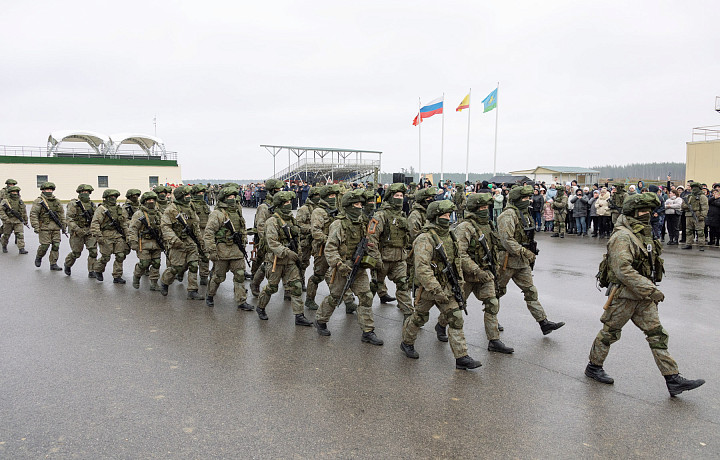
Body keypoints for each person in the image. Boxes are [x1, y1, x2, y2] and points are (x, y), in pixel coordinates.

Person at [585, 192, 705, 397]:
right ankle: (594, 367)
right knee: (609, 333)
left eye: (649, 211)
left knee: (657, 334)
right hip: (624, 296)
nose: (646, 214)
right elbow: (623, 270)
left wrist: (648, 290)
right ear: (632, 212)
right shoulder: (623, 236)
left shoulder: (642, 233)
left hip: (642, 296)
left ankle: (672, 378)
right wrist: (651, 290)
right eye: (642, 211)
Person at [400, 200, 482, 370]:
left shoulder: (451, 236)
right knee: (419, 318)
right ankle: (407, 342)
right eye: (443, 215)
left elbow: (456, 262)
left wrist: (459, 283)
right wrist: (435, 289)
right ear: (435, 217)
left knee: (456, 318)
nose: (447, 218)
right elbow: (422, 268)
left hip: (447, 287)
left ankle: (462, 357)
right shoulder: (425, 238)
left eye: (448, 215)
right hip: (428, 289)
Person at [314, 189, 382, 344]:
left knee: (366, 297)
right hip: (342, 267)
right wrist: (339, 264)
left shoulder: (363, 223)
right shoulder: (338, 224)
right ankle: (320, 320)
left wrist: (373, 258)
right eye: (356, 204)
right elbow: (330, 248)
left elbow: (370, 242)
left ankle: (368, 331)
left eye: (360, 204)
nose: (359, 207)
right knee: (335, 297)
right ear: (348, 206)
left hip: (359, 268)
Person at [448, 193, 513, 353]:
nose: (485, 210)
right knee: (455, 307)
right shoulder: (465, 227)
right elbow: (460, 254)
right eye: (481, 208)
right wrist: (476, 270)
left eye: (486, 207)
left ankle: (494, 340)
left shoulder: (488, 225)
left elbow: (494, 246)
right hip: (467, 277)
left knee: (492, 304)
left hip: (486, 273)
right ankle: (441, 325)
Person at [497, 185, 565, 335]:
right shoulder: (508, 215)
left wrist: (529, 252)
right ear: (516, 200)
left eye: (529, 198)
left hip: (522, 262)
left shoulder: (524, 214)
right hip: (506, 262)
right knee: (496, 292)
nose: (528, 201)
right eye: (525, 198)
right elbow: (506, 240)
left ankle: (543, 322)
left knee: (530, 291)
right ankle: (492, 320)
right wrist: (524, 252)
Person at [254, 191, 312, 325]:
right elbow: (272, 242)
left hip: (290, 261)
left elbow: (296, 240)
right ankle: (260, 307)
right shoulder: (272, 221)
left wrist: (298, 256)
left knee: (296, 286)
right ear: (279, 205)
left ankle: (299, 316)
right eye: (285, 203)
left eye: (289, 202)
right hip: (276, 260)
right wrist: (286, 252)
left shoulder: (291, 219)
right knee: (272, 287)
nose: (288, 205)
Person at [306, 185, 356, 312]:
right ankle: (309, 299)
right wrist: (328, 239)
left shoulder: (338, 210)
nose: (333, 198)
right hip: (322, 249)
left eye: (334, 195)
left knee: (342, 273)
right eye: (330, 196)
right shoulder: (319, 211)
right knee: (318, 276)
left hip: (337, 249)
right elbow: (315, 231)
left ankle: (349, 301)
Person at [203, 187, 254, 310]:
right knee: (218, 277)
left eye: (234, 197)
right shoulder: (218, 214)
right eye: (230, 197)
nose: (233, 199)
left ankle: (241, 301)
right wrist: (212, 251)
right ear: (224, 199)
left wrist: (244, 241)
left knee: (240, 275)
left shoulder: (237, 211)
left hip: (236, 250)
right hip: (222, 251)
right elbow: (209, 233)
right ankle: (210, 295)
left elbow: (242, 228)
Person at [367, 183, 413, 318]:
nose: (399, 198)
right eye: (396, 195)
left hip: (399, 259)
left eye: (401, 195)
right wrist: (376, 259)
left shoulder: (403, 215)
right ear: (390, 197)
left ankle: (409, 316)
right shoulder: (381, 215)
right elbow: (371, 238)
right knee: (375, 285)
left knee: (403, 285)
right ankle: (364, 309)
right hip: (383, 259)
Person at [159, 185, 204, 299]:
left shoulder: (190, 207)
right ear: (181, 197)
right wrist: (175, 240)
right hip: (177, 243)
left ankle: (192, 290)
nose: (189, 197)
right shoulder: (171, 210)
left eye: (189, 195)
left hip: (190, 241)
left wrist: (200, 240)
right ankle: (164, 282)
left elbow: (195, 225)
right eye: (186, 195)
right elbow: (165, 227)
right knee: (177, 268)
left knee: (194, 265)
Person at [249, 178, 284, 297]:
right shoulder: (264, 207)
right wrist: (266, 241)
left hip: (276, 239)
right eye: (278, 189)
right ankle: (254, 283)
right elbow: (260, 225)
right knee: (262, 263)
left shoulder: (278, 205)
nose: (280, 191)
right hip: (264, 240)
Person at [127, 191, 164, 291]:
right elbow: (133, 229)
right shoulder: (139, 214)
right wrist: (133, 242)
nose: (151, 202)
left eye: (152, 200)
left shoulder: (158, 213)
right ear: (144, 201)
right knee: (144, 263)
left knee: (156, 263)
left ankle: (154, 283)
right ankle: (137, 276)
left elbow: (163, 228)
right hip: (143, 242)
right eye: (148, 200)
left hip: (156, 243)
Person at [90, 189, 129, 283]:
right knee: (106, 257)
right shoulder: (101, 209)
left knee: (120, 255)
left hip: (118, 235)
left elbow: (124, 223)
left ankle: (117, 276)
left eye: (115, 197)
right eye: (111, 197)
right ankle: (98, 270)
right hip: (105, 235)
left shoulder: (120, 209)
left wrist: (127, 236)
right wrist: (99, 236)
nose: (113, 199)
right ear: (106, 198)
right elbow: (95, 223)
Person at [30, 182, 66, 271]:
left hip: (56, 227)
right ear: (43, 190)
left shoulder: (57, 201)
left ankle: (53, 263)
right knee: (45, 246)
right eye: (47, 190)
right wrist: (36, 226)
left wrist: (64, 226)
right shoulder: (39, 201)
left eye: (50, 190)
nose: (49, 191)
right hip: (44, 227)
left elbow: (61, 214)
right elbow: (34, 214)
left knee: (56, 245)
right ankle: (39, 256)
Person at [63, 184, 98, 276]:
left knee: (93, 252)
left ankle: (92, 271)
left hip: (89, 231)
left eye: (87, 192)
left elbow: (96, 218)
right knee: (76, 253)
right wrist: (77, 229)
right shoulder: (74, 204)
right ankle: (68, 264)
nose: (85, 194)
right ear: (79, 193)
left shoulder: (92, 204)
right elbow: (69, 219)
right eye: (83, 192)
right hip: (77, 232)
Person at [296, 186, 320, 291]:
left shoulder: (320, 208)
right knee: (303, 262)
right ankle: (300, 280)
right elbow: (298, 224)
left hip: (317, 240)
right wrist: (312, 229)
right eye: (317, 196)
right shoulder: (304, 209)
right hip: (306, 240)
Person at [190, 184, 212, 285]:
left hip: (205, 231)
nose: (201, 195)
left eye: (202, 193)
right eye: (199, 193)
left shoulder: (205, 204)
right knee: (193, 256)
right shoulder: (191, 204)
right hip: (195, 232)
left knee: (205, 254)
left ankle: (204, 276)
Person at [0, 185, 29, 255]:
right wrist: (6, 219)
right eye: (13, 192)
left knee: (20, 235)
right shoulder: (5, 201)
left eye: (16, 192)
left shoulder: (20, 201)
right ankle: (4, 246)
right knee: (6, 235)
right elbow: (1, 211)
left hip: (18, 221)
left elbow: (24, 212)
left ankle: (21, 248)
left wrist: (25, 220)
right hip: (8, 221)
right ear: (10, 192)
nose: (15, 193)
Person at [681, 182, 709, 251]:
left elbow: (705, 207)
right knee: (688, 231)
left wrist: (702, 216)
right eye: (692, 188)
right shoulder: (689, 196)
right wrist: (688, 206)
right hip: (688, 216)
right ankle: (688, 244)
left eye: (695, 188)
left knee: (700, 231)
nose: (694, 189)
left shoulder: (702, 197)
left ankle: (701, 245)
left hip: (698, 216)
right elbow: (682, 206)